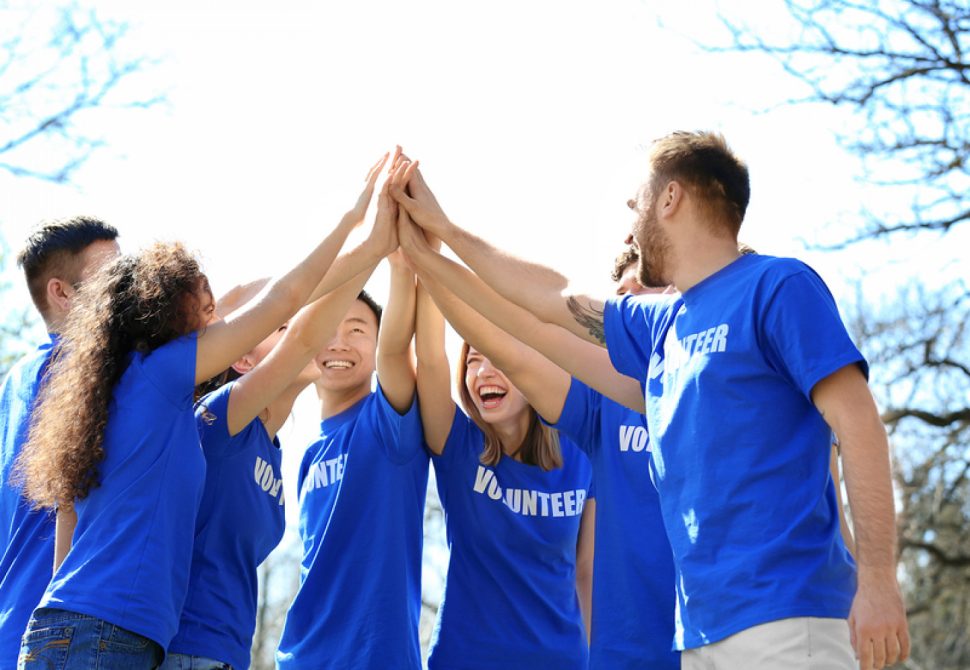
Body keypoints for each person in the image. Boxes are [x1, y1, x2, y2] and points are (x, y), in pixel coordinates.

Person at [388, 133, 909, 670]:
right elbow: (545, 303)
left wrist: (877, 580)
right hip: (701, 634)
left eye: (638, 199)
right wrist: (435, 238)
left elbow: (859, 423)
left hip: (786, 616)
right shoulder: (663, 328)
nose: (631, 214)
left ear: (671, 198)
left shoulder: (777, 285)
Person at [14, 153, 392, 670]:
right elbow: (288, 304)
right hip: (102, 634)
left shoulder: (118, 388)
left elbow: (67, 511)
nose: (219, 317)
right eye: (208, 307)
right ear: (168, 311)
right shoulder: (161, 372)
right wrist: (358, 226)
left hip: (82, 627)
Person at [163, 181, 400, 670]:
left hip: (225, 654)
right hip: (181, 650)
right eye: (283, 326)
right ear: (244, 358)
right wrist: (370, 240)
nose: (312, 334)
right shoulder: (217, 420)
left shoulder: (271, 447)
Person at [397, 214, 594, 669]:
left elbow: (587, 573)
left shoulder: (582, 449)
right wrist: (426, 259)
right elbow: (429, 359)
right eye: (473, 361)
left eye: (498, 360)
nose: (483, 372)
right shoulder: (458, 447)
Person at [276, 202, 428, 669]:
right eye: (330, 329)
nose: (339, 342)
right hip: (302, 657)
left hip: (374, 656)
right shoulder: (307, 455)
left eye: (358, 329)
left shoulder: (388, 424)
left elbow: (400, 346)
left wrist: (399, 267)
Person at [0, 217, 120, 669]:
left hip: (18, 628)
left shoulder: (16, 380)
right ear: (62, 293)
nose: (128, 287)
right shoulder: (80, 369)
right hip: (59, 641)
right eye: (111, 276)